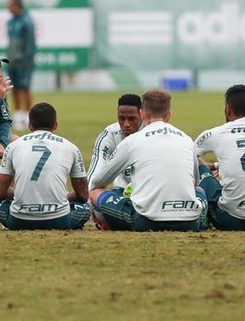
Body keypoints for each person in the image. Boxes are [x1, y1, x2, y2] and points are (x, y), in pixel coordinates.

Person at [89, 89, 207, 232]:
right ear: (169, 115)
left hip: (146, 221)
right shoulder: (187, 139)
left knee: (96, 192)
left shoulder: (131, 141)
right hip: (190, 223)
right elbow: (195, 183)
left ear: (142, 113)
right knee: (199, 189)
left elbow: (97, 181)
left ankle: (109, 223)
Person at [0, 102, 91, 230]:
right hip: (59, 220)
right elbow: (83, 195)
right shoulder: (71, 147)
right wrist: (64, 197)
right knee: (86, 206)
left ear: (29, 125)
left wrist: (21, 195)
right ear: (56, 125)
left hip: (19, 221)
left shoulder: (13, 146)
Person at [194, 85, 245, 231]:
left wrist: (203, 166)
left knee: (199, 165)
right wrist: (216, 165)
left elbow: (187, 155)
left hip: (231, 220)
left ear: (228, 109)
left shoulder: (217, 133)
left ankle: (195, 213)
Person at [86, 94, 142, 193]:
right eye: (121, 118)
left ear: (142, 115)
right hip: (121, 192)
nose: (126, 124)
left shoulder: (152, 133)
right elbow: (96, 171)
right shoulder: (111, 134)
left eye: (131, 119)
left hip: (147, 192)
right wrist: (87, 196)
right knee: (95, 194)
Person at [7, 0, 37, 131]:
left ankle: (28, 117)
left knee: (25, 87)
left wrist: (27, 59)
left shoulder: (26, 21)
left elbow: (31, 42)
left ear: (17, 6)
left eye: (10, 5)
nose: (8, 7)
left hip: (24, 61)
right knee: (15, 88)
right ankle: (18, 116)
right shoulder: (11, 22)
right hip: (13, 60)